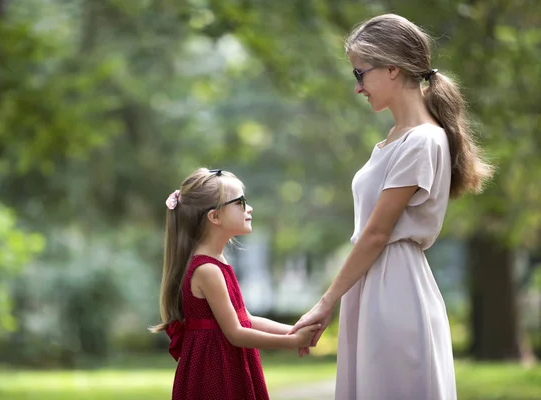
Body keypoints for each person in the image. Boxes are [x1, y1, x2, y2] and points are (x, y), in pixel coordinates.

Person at [289, 13, 494, 400]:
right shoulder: (395, 139)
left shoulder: (421, 142)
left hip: (393, 289)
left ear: (392, 69)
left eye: (359, 74)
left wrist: (325, 302)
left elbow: (377, 233)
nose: (358, 88)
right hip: (374, 286)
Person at [150, 168, 319, 400]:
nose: (249, 208)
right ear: (215, 217)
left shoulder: (217, 262)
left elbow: (245, 318)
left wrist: (294, 330)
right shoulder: (207, 269)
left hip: (225, 362)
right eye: (240, 202)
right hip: (215, 371)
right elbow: (236, 333)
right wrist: (290, 342)